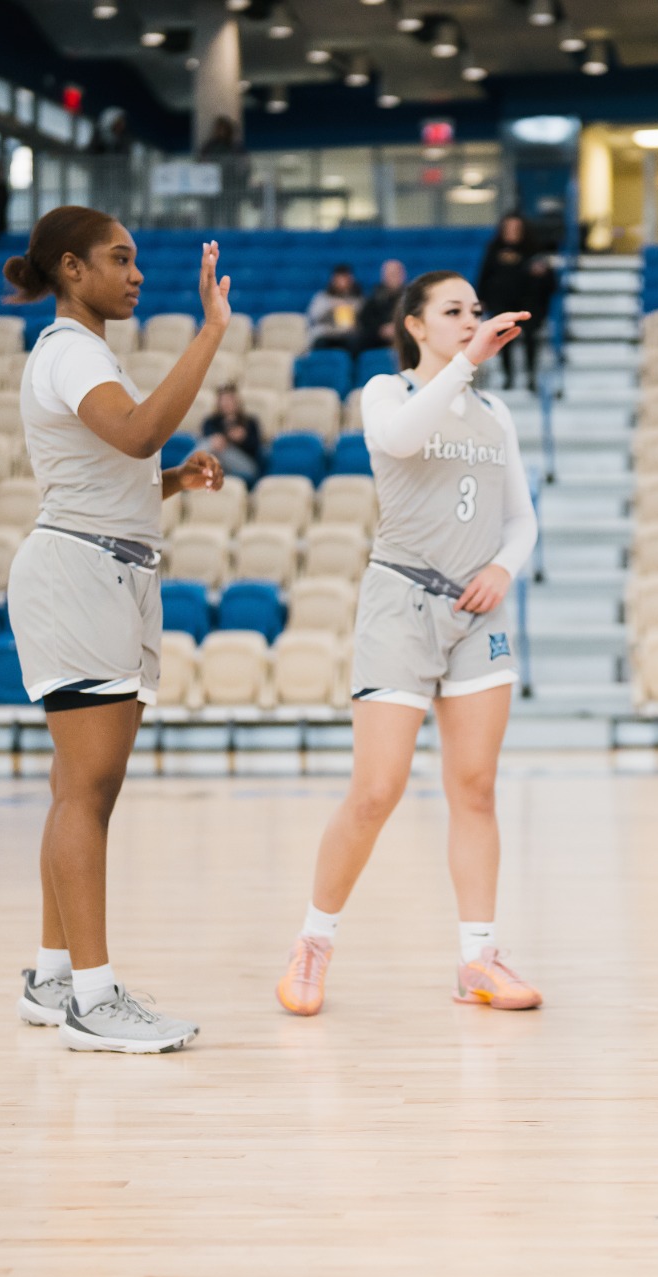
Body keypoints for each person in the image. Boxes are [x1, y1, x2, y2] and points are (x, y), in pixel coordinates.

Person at [275, 271, 543, 1017]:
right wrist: (465, 362)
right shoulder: (386, 392)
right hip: (401, 602)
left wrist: (503, 567)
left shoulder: (495, 412)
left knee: (476, 788)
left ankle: (477, 959)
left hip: (476, 612)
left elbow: (521, 519)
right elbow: (399, 440)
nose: (471, 321)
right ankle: (313, 942)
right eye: (453, 311)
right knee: (377, 790)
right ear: (416, 326)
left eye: (476, 311)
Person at [3, 206, 231, 1054]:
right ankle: (94, 999)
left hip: (109, 566)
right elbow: (136, 433)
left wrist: (171, 481)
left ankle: (53, 976)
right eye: (120, 258)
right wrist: (210, 332)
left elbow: (115, 468)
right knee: (88, 791)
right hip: (80, 575)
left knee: (78, 787)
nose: (137, 274)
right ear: (72, 268)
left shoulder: (86, 353)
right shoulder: (69, 350)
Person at [476, 213, 554, 391]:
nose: (512, 232)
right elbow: (484, 275)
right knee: (504, 339)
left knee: (531, 337)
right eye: (509, 228)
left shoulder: (534, 251)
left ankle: (531, 376)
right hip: (502, 302)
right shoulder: (494, 249)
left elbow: (550, 282)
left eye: (516, 228)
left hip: (528, 303)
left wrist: (541, 273)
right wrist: (481, 299)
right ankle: (508, 376)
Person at [199, 383, 264, 485]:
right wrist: (222, 437)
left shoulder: (250, 422)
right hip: (217, 463)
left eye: (229, 399)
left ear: (237, 401)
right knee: (211, 443)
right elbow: (208, 438)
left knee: (217, 446)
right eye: (223, 400)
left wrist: (243, 439)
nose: (226, 403)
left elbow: (256, 448)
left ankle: (184, 473)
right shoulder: (211, 421)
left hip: (245, 466)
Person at [198, 115, 248, 228]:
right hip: (211, 190)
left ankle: (231, 237)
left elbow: (244, 166)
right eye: (218, 129)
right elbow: (201, 163)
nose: (221, 132)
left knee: (231, 217)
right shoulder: (209, 147)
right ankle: (210, 237)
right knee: (210, 218)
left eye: (223, 129)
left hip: (231, 188)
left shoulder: (235, 147)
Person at [307, 264, 365, 351]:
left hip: (349, 335)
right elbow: (313, 317)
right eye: (339, 279)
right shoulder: (322, 297)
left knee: (356, 343)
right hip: (327, 334)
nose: (342, 283)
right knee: (320, 343)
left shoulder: (359, 299)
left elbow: (365, 319)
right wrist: (331, 307)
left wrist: (353, 309)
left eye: (345, 279)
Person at [357, 259, 408, 353]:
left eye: (396, 273)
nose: (393, 277)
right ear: (383, 276)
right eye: (390, 274)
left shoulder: (412, 298)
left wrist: (399, 328)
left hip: (406, 337)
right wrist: (381, 330)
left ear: (403, 275)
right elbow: (365, 320)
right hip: (378, 340)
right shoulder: (374, 298)